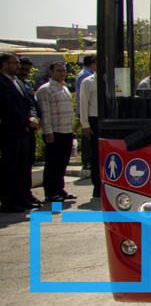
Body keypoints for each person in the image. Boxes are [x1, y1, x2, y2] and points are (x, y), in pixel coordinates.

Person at [0, 53, 40, 213]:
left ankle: (21, 197)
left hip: (25, 132)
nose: (18, 66)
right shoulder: (1, 83)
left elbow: (29, 102)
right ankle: (8, 202)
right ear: (4, 64)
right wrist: (26, 121)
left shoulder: (18, 82)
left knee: (23, 166)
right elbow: (8, 107)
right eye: (15, 63)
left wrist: (34, 118)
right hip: (11, 132)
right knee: (10, 167)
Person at [36, 61, 77, 203]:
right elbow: (45, 113)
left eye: (63, 71)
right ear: (51, 73)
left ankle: (59, 189)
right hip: (54, 132)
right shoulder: (45, 90)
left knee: (62, 163)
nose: (62, 73)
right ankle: (50, 192)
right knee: (53, 163)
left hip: (66, 131)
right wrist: (48, 131)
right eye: (58, 71)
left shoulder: (64, 88)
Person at [15, 56, 42, 208]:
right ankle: (17, 197)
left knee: (27, 165)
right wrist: (26, 121)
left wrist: (35, 118)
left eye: (27, 70)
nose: (25, 72)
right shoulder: (10, 84)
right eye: (22, 69)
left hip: (30, 128)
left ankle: (27, 194)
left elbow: (32, 104)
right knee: (17, 167)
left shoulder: (25, 85)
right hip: (17, 130)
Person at [78, 58, 100, 198]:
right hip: (94, 120)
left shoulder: (112, 79)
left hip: (107, 119)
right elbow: (83, 104)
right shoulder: (88, 81)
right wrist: (85, 124)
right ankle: (97, 187)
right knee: (96, 155)